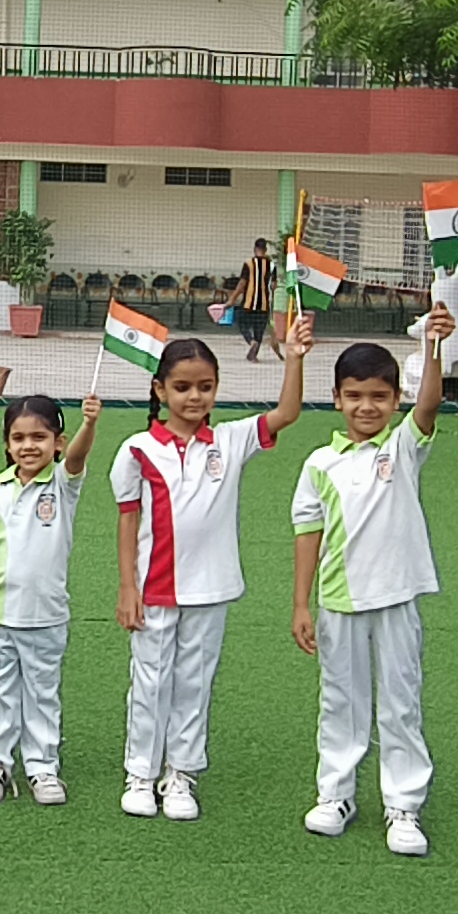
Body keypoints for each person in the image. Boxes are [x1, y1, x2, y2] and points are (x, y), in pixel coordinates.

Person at [108, 319, 313, 821]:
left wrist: (294, 358)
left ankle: (181, 774)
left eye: (205, 386)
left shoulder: (231, 440)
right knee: (151, 682)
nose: (194, 397)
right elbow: (128, 521)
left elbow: (287, 413)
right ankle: (141, 774)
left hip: (211, 589)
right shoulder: (137, 450)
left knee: (195, 683)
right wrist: (127, 587)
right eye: (182, 387)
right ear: (160, 390)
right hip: (154, 591)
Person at [289, 306, 453, 853]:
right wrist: (301, 604)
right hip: (338, 600)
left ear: (395, 400)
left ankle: (403, 805)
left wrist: (433, 345)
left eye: (379, 397)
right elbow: (307, 533)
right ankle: (335, 794)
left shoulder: (402, 448)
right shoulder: (319, 464)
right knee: (341, 700)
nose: (367, 406)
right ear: (337, 399)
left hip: (397, 596)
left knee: (401, 702)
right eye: (355, 396)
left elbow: (430, 405)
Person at [0, 389, 102, 805]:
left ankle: (43, 768)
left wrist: (89, 423)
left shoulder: (62, 484)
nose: (29, 446)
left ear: (57, 443)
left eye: (40, 437)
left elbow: (78, 458)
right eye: (19, 438)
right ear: (7, 444)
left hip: (46, 617)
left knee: (42, 695)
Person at [228, 240, 281, 363]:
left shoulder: (248, 264)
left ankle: (251, 341)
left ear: (255, 248)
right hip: (263, 304)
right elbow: (274, 286)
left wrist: (232, 299)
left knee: (242, 324)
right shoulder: (271, 265)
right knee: (259, 330)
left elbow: (242, 284)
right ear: (265, 250)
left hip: (249, 303)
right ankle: (253, 356)